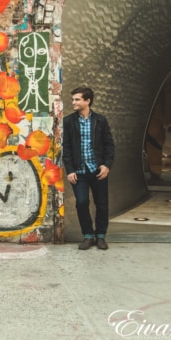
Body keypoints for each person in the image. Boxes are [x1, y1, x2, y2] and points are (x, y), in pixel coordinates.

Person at [62, 87, 115, 250]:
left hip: (98, 170)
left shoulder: (100, 120)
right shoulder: (69, 121)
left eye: (77, 99)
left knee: (102, 203)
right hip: (79, 172)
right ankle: (87, 235)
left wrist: (106, 165)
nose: (74, 102)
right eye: (73, 99)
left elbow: (109, 145)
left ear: (87, 101)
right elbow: (66, 148)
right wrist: (69, 170)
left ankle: (100, 236)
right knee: (82, 202)